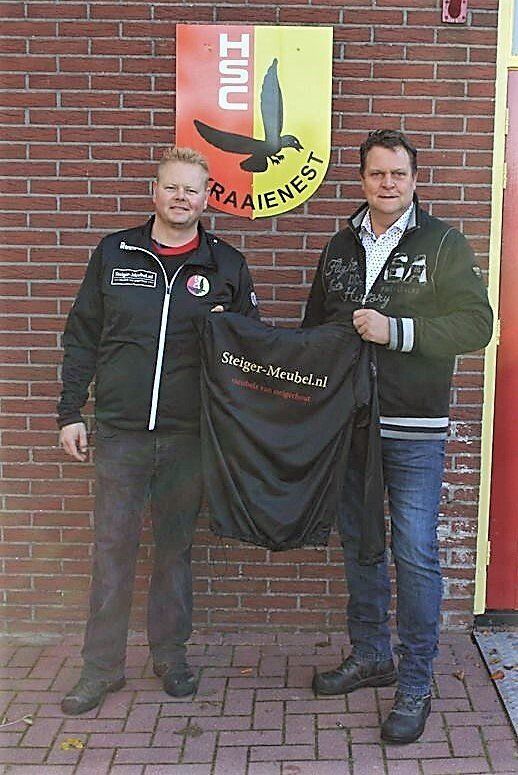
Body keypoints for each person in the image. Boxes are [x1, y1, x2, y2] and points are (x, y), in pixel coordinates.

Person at [303, 129, 492, 744]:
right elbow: (314, 333)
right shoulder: (339, 247)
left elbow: (477, 325)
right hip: (351, 426)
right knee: (361, 546)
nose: (388, 183)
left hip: (413, 427)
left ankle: (415, 681)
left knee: (413, 553)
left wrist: (397, 331)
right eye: (377, 173)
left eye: (398, 174)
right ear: (361, 179)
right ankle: (371, 656)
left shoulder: (443, 243)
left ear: (414, 179)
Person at [57, 146, 259, 715]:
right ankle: (101, 669)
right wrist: (70, 411)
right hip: (120, 433)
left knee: (174, 551)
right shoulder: (115, 252)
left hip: (187, 436)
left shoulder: (226, 266)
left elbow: (251, 349)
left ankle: (170, 657)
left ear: (206, 199)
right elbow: (82, 335)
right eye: (172, 187)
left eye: (192, 189)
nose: (181, 198)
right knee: (111, 550)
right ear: (155, 191)